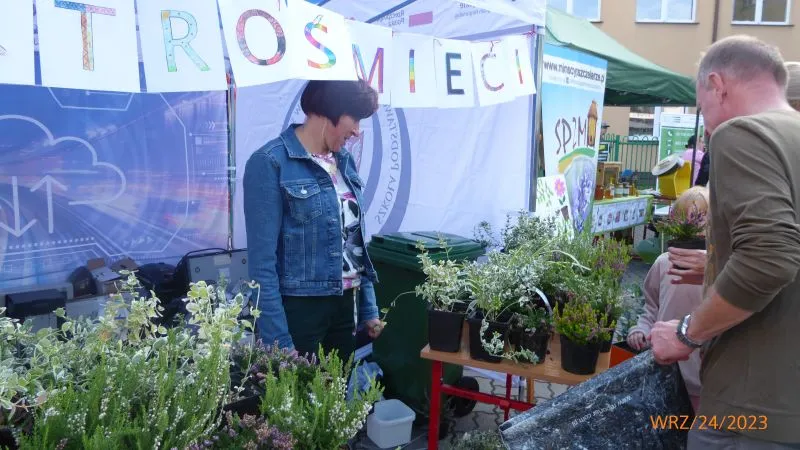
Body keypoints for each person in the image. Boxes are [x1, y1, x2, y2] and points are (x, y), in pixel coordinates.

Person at [649, 36, 800, 449]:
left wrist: (686, 333)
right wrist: (718, 265)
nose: (708, 124)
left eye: (703, 107)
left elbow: (770, 258)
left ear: (717, 85)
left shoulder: (743, 132)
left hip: (750, 410)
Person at [243, 80, 383, 364]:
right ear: (330, 110)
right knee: (296, 391)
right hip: (299, 311)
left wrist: (368, 307)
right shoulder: (270, 162)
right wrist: (278, 339)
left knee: (337, 389)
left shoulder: (344, 161)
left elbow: (354, 241)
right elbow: (261, 264)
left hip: (346, 306)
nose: (357, 131)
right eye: (354, 118)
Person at [627, 186, 708, 412]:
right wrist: (641, 329)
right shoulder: (663, 263)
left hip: (704, 375)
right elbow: (652, 306)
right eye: (689, 219)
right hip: (666, 369)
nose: (697, 227)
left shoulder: (717, 270)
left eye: (702, 219)